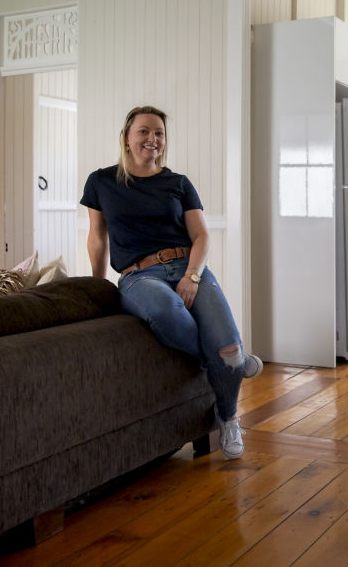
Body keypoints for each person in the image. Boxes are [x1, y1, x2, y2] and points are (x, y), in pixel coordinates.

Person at [81, 105, 263, 459]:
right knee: (170, 313)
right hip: (137, 275)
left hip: (187, 265)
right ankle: (235, 365)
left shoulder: (178, 183)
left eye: (159, 133)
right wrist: (96, 285)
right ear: (127, 137)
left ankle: (227, 417)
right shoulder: (100, 181)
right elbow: (97, 238)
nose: (152, 139)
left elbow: (202, 237)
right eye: (144, 131)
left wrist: (193, 276)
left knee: (228, 346)